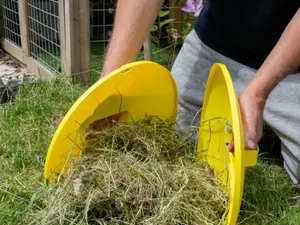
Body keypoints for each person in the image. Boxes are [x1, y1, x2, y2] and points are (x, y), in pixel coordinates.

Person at [100, 0, 300, 185]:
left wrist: (258, 92)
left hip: (293, 67)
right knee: (166, 140)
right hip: (216, 41)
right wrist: (111, 85)